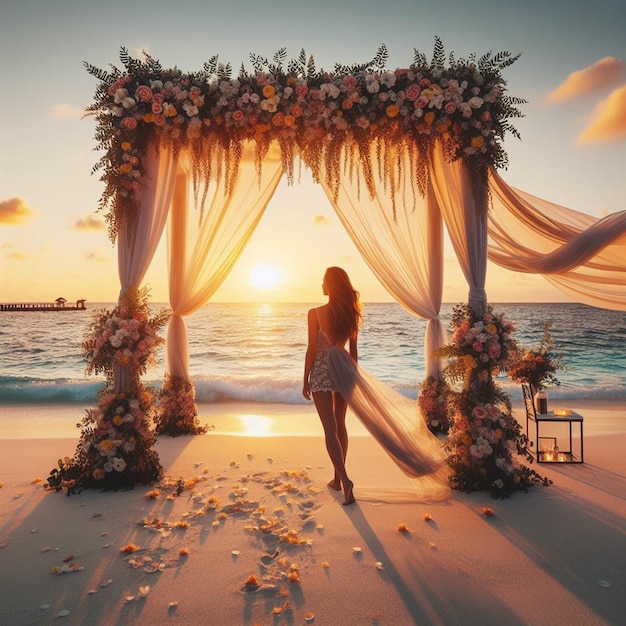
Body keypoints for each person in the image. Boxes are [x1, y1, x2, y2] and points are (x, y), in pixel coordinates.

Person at [303, 267, 361, 505]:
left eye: (323, 281)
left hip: (321, 370)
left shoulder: (314, 313)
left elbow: (312, 349)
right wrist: (352, 376)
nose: (321, 285)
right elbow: (354, 352)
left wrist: (305, 377)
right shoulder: (351, 313)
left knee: (329, 429)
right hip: (344, 368)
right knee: (340, 425)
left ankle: (345, 480)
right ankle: (337, 479)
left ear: (330, 285)